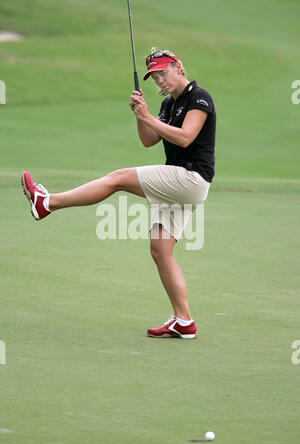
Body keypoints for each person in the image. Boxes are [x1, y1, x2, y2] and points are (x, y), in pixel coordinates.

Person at [21, 48, 216, 340]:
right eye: (154, 77)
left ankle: (48, 202)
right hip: (178, 181)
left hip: (190, 177)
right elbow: (148, 141)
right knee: (160, 250)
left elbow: (186, 137)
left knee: (116, 179)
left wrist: (150, 118)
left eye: (164, 73)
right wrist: (141, 116)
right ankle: (184, 320)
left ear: (178, 67)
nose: (160, 80)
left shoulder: (199, 98)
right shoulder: (166, 105)